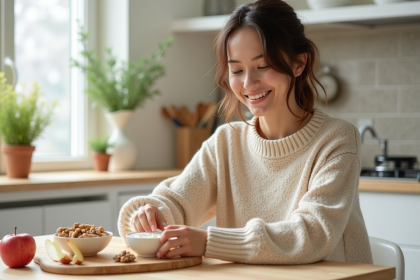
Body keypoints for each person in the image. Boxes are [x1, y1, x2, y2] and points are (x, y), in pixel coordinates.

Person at [118, 0, 373, 265]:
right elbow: (178, 201)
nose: (249, 83)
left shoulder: (338, 139)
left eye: (263, 66)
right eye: (237, 70)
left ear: (299, 64)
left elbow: (312, 234)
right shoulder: (226, 142)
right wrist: (150, 214)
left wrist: (209, 242)